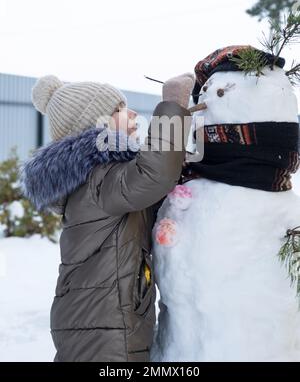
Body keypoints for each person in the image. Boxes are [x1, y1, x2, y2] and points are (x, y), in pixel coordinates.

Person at [20, 73, 193, 362]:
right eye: (119, 110)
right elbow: (154, 175)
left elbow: (152, 184)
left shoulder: (100, 180)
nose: (133, 113)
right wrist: (173, 106)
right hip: (103, 329)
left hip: (96, 321)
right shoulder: (99, 180)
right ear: (95, 127)